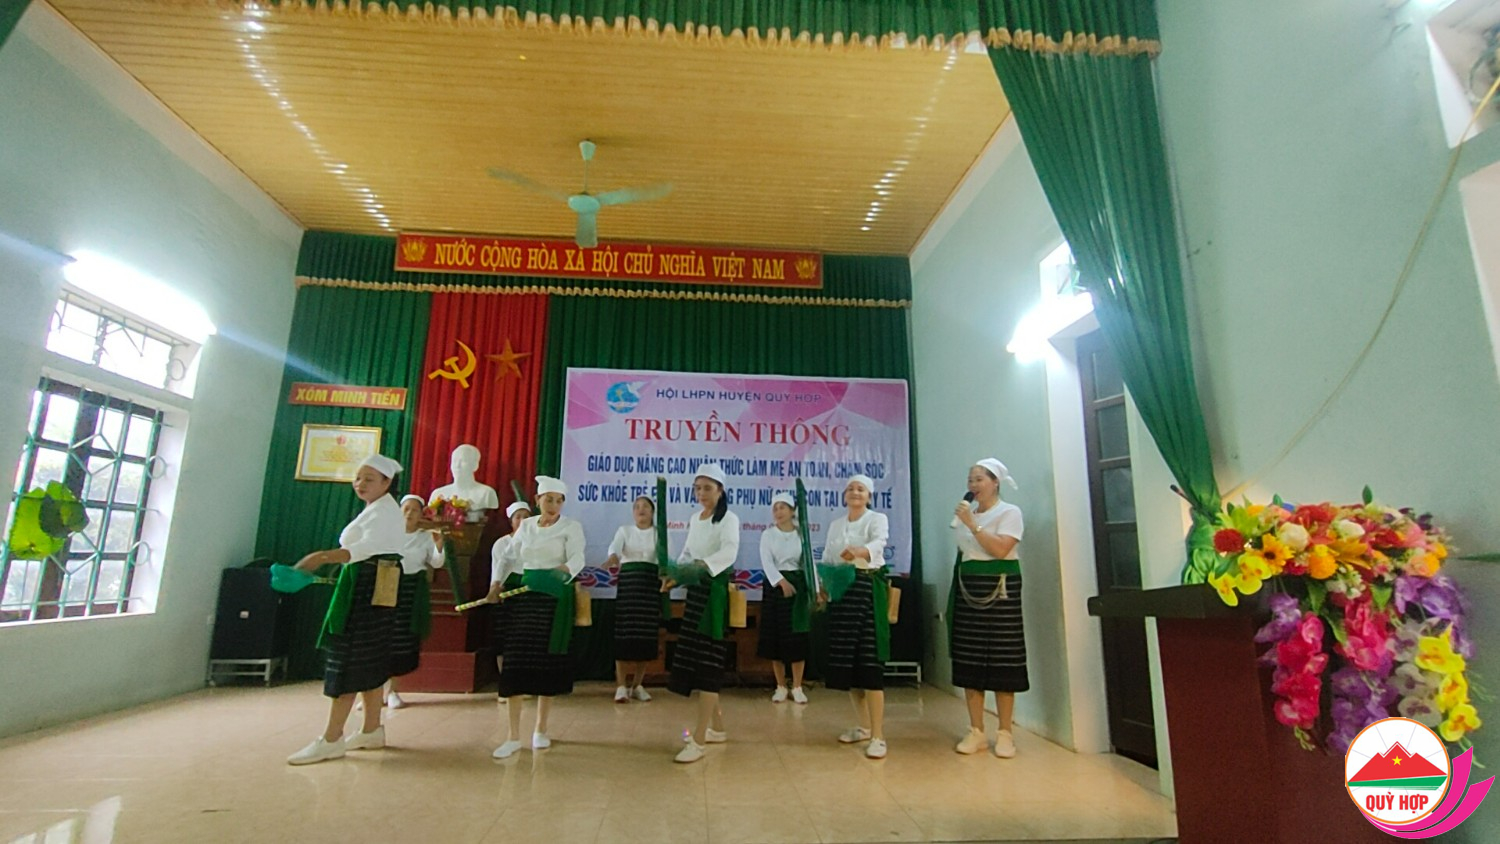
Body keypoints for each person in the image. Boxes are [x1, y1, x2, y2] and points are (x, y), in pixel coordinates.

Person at [287, 454, 407, 765]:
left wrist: (321, 557)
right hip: (371, 583)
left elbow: (362, 550)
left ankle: (331, 738)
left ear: (387, 483)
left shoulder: (385, 513)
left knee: (350, 658)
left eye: (369, 479)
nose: (360, 484)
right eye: (357, 478)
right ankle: (371, 729)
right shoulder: (376, 509)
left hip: (368, 587)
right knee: (369, 659)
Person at [489, 477, 585, 759]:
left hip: (554, 599)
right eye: (548, 500)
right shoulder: (528, 526)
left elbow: (578, 557)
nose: (553, 505)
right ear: (537, 500)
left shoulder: (571, 527)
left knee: (546, 664)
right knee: (516, 663)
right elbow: (508, 557)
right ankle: (512, 736)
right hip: (525, 598)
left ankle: (541, 729)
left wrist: (563, 569)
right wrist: (496, 584)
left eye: (558, 501)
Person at [950, 458, 1026, 759]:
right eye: (970, 479)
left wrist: (973, 524)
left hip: (1001, 589)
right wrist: (968, 521)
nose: (973, 485)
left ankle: (1005, 732)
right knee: (970, 658)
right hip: (969, 587)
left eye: (979, 479)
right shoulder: (967, 513)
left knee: (1003, 659)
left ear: (995, 482)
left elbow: (1000, 549)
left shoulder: (1010, 512)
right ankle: (976, 730)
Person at [667, 463, 740, 764]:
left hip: (714, 596)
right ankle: (717, 729)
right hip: (696, 594)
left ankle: (698, 740)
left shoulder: (729, 519)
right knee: (699, 662)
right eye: (697, 488)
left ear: (720, 491)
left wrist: (702, 566)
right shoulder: (695, 519)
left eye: (707, 488)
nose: (701, 493)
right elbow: (687, 553)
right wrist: (676, 575)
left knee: (709, 666)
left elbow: (729, 552)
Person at [820, 474, 891, 759]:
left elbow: (879, 543)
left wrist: (860, 551)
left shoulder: (877, 519)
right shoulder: (836, 524)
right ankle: (863, 726)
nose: (855, 492)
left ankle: (878, 736)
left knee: (870, 663)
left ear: (869, 495)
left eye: (861, 489)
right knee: (850, 663)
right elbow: (828, 556)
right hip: (842, 593)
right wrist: (823, 586)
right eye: (850, 489)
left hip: (865, 589)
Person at [385, 494, 443, 708]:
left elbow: (437, 563)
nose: (409, 513)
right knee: (380, 637)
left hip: (411, 590)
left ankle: (393, 691)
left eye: (415, 510)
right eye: (406, 509)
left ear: (421, 514)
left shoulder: (425, 536)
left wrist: (439, 544)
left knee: (401, 639)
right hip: (386, 586)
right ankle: (373, 692)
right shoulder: (387, 533)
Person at [606, 495, 660, 703]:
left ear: (652, 512)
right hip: (629, 584)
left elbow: (667, 559)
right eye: (637, 507)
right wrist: (613, 557)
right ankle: (621, 686)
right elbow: (615, 548)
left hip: (649, 585)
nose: (641, 510)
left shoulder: (659, 533)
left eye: (645, 506)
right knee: (624, 634)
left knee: (645, 636)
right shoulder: (625, 531)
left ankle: (637, 685)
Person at [757, 492, 809, 704]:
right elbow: (766, 562)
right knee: (775, 637)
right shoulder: (768, 535)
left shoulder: (802, 534)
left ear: (792, 510)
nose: (778, 512)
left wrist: (815, 588)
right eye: (775, 508)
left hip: (798, 587)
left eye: (783, 507)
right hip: (775, 587)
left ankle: (797, 686)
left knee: (797, 637)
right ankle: (780, 686)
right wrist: (780, 581)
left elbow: (808, 563)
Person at [489, 501, 533, 682]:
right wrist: (495, 589)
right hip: (507, 593)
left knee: (527, 637)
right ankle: (505, 679)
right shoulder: (502, 543)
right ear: (511, 521)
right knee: (505, 637)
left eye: (526, 517)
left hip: (529, 591)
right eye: (518, 517)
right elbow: (497, 568)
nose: (522, 521)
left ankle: (524, 679)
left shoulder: (536, 542)